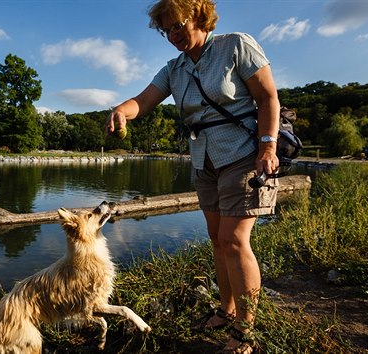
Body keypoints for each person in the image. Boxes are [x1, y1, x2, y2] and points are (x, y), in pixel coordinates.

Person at [105, 1, 279, 353]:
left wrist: (267, 148)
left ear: (199, 17)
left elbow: (267, 97)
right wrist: (122, 111)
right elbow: (143, 100)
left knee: (233, 239)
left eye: (178, 25)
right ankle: (228, 309)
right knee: (217, 238)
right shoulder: (175, 69)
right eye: (166, 30)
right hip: (204, 159)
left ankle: (244, 332)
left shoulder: (235, 45)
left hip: (244, 152)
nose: (173, 35)